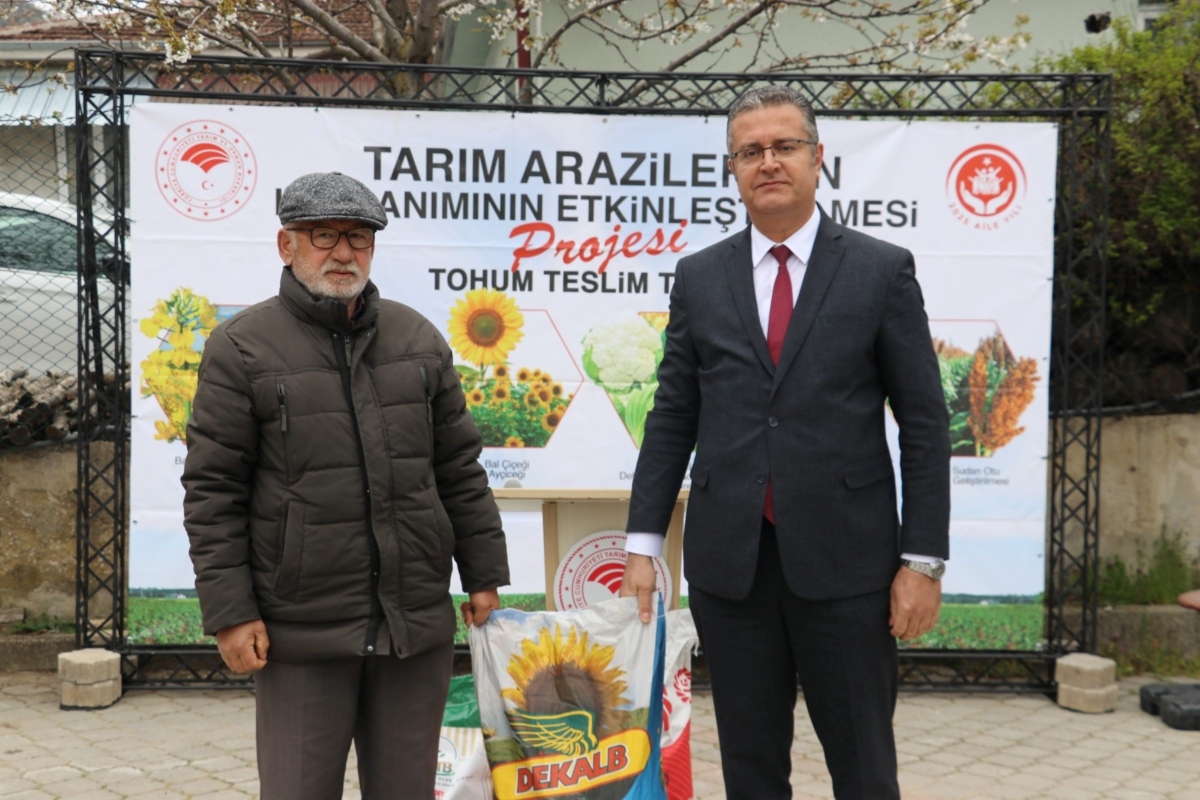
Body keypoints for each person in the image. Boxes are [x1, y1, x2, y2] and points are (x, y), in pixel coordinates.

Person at [621, 86, 951, 799]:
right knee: (750, 768)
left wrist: (922, 560)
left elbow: (924, 423)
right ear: (733, 168)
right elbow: (673, 413)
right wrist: (643, 541)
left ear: (817, 158)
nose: (768, 162)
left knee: (864, 768)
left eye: (784, 146)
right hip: (731, 571)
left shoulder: (879, 270)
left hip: (850, 569)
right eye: (750, 151)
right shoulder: (699, 277)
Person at [181, 172, 509, 800]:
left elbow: (459, 470)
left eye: (358, 237)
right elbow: (213, 491)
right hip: (300, 629)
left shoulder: (418, 340)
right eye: (323, 236)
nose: (342, 253)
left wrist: (484, 576)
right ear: (287, 245)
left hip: (412, 624)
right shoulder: (242, 347)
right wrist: (231, 611)